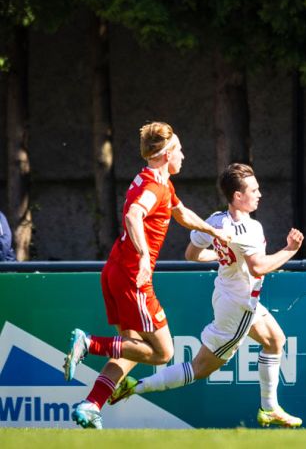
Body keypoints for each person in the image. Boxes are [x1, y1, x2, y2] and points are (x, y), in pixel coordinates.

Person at [108, 163, 304, 427]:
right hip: (239, 305)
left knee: (275, 340)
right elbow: (260, 266)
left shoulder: (216, 220)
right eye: (254, 190)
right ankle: (136, 386)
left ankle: (269, 407)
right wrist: (290, 250)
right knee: (199, 368)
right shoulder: (250, 229)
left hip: (228, 294)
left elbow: (192, 254)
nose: (260, 194)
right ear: (237, 196)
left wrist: (228, 259)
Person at [63, 121, 230, 429]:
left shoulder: (155, 179)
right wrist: (142, 257)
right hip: (132, 276)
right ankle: (88, 343)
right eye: (179, 149)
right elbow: (133, 214)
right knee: (163, 352)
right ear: (167, 154)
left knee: (133, 348)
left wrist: (212, 230)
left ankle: (90, 405)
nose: (184, 155)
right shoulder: (155, 186)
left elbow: (181, 214)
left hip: (114, 271)